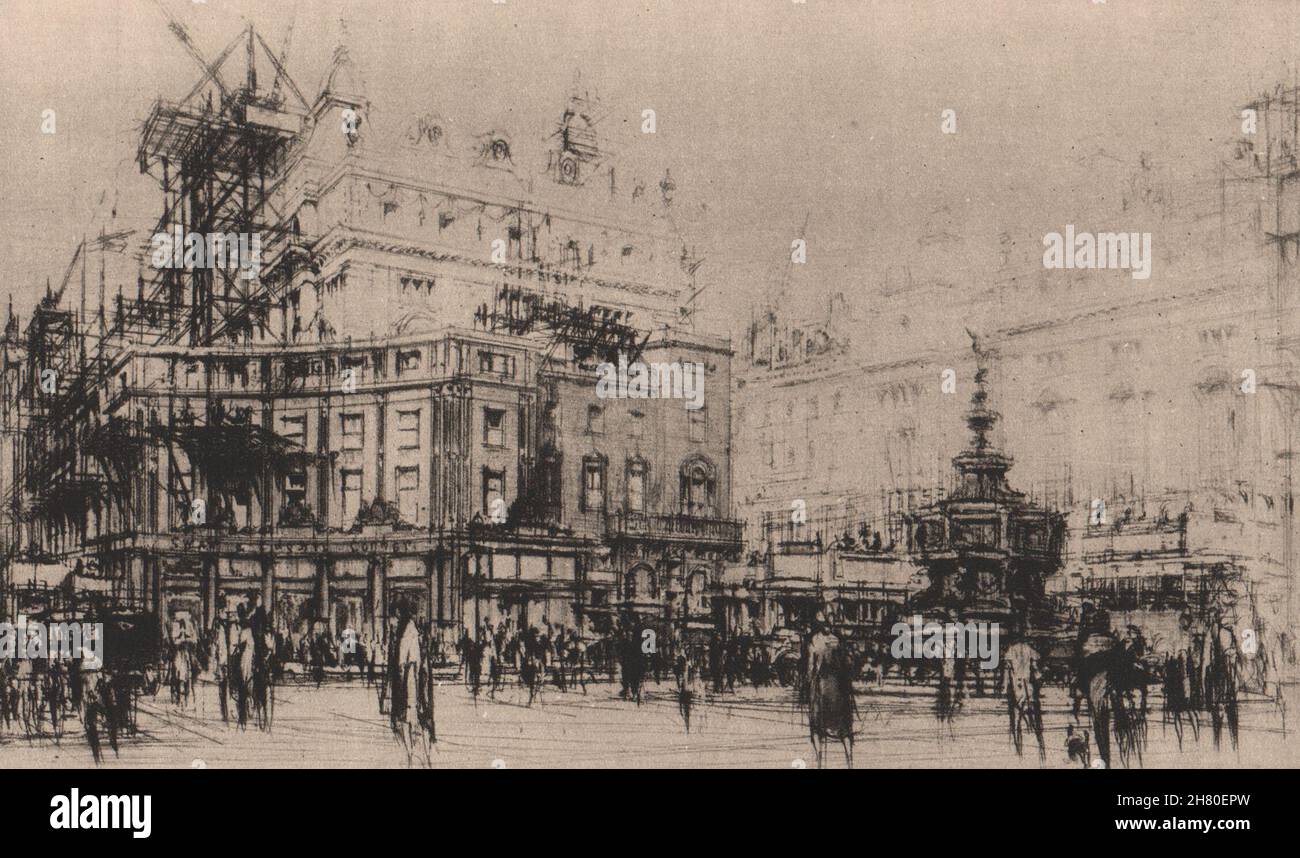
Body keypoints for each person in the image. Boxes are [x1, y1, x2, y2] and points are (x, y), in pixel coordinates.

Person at [806, 612, 855, 768]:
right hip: (837, 688)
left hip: (821, 687)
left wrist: (808, 684)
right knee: (844, 728)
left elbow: (810, 668)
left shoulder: (814, 641)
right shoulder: (837, 641)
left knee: (816, 725)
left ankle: (820, 763)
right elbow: (847, 665)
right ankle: (850, 762)